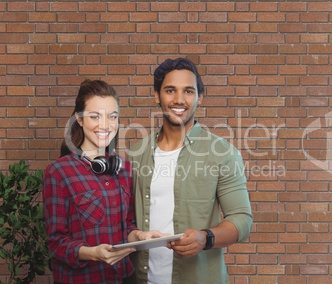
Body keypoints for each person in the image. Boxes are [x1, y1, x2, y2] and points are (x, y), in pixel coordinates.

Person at [129, 58, 253, 284]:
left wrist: (205, 238)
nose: (178, 100)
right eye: (169, 90)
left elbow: (242, 220)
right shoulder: (135, 155)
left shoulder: (223, 154)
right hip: (141, 278)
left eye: (188, 91)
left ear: (199, 97)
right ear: (157, 95)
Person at [42, 79, 164, 284]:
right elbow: (56, 243)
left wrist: (142, 236)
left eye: (112, 116)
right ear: (79, 120)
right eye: (95, 116)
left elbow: (126, 226)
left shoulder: (124, 169)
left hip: (122, 278)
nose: (105, 125)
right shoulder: (59, 172)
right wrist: (93, 253)